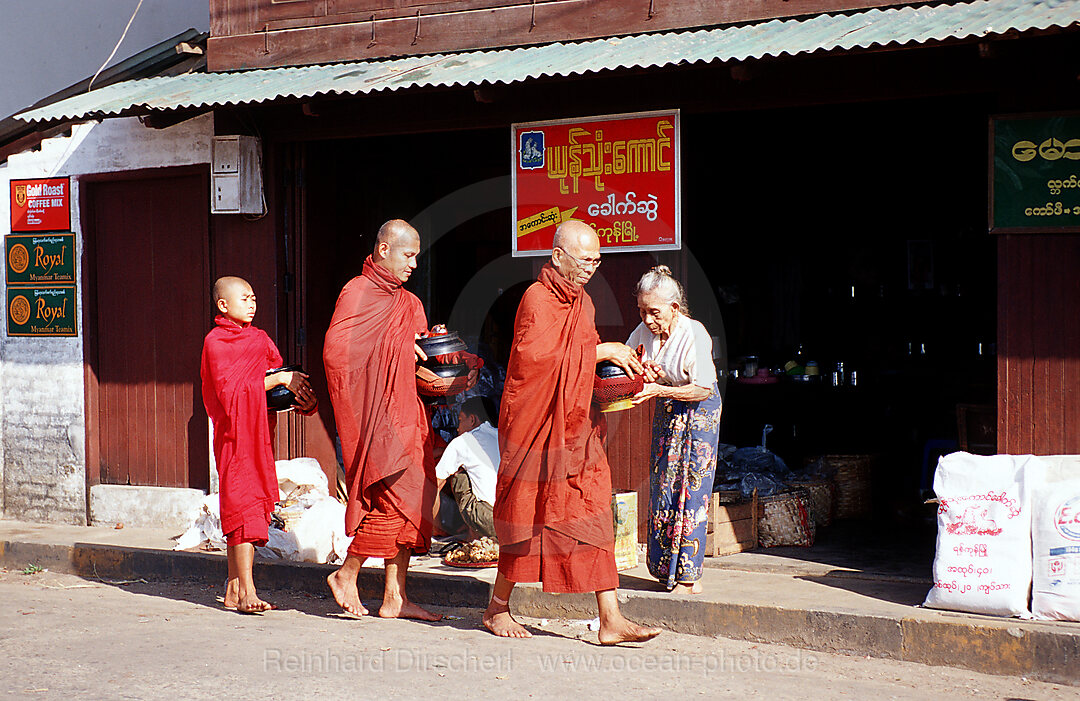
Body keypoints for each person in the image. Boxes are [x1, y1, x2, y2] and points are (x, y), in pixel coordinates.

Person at [483, 219, 663, 645]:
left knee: (594, 512)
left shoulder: (583, 304)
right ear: (558, 255)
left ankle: (610, 620)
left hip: (577, 430)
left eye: (597, 260)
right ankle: (496, 608)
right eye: (584, 259)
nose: (591, 268)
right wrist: (601, 350)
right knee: (528, 516)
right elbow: (535, 365)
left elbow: (580, 368)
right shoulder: (536, 299)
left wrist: (626, 370)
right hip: (536, 431)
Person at [322, 219, 445, 621]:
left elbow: (417, 355)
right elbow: (338, 355)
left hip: (409, 416)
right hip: (378, 419)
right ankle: (346, 574)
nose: (414, 265)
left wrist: (436, 352)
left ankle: (395, 596)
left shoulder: (410, 304)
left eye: (417, 257)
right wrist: (396, 348)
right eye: (408, 255)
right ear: (383, 250)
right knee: (391, 502)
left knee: (412, 501)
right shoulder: (356, 293)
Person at [201, 276, 317, 613]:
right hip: (234, 436)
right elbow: (229, 394)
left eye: (254, 298)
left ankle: (236, 588)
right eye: (244, 299)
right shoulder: (215, 342)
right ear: (223, 305)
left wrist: (298, 395)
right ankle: (248, 591)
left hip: (259, 434)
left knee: (250, 505)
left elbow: (273, 389)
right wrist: (279, 379)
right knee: (241, 507)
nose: (252, 304)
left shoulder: (259, 339)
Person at [627, 266, 722, 594]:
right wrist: (643, 374)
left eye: (654, 312)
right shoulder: (642, 332)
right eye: (641, 311)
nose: (648, 320)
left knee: (690, 490)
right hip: (668, 408)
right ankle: (665, 570)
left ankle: (688, 577)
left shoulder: (693, 333)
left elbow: (703, 389)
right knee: (664, 485)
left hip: (698, 411)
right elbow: (631, 364)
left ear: (674, 309)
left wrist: (659, 389)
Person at [432, 396, 500, 540]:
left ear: (473, 420)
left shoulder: (463, 441)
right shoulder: (502, 436)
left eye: (461, 420)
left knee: (459, 477)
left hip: (490, 523)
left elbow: (435, 486)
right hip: (514, 521)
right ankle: (475, 531)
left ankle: (474, 535)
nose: (458, 428)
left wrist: (435, 527)